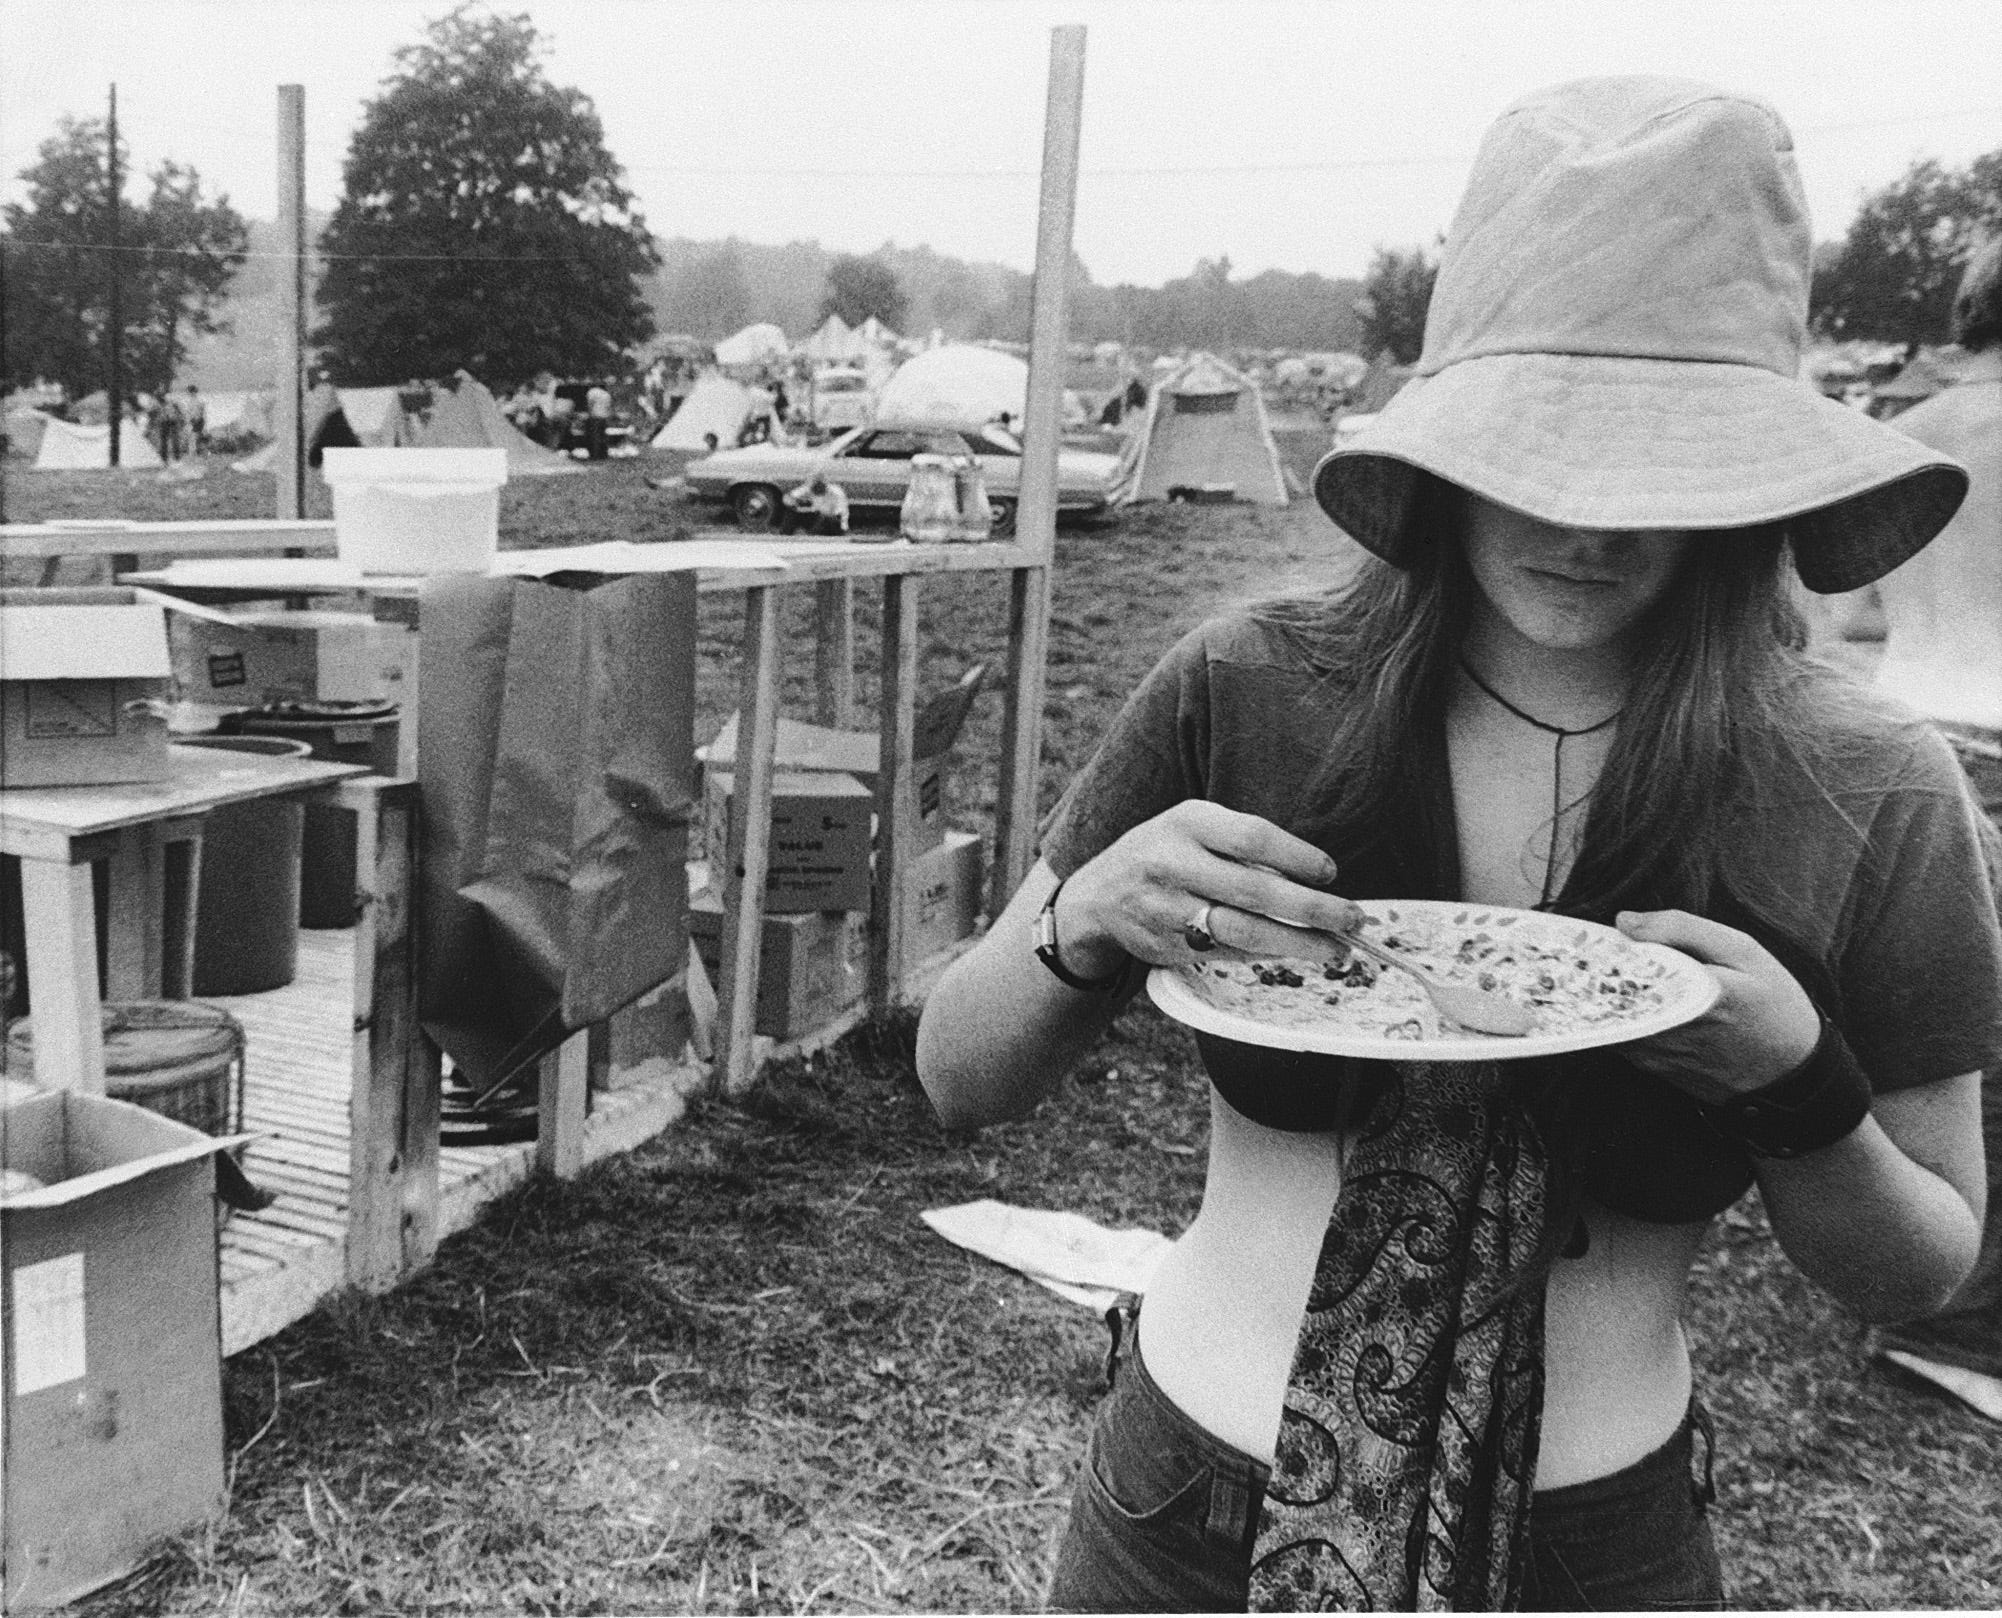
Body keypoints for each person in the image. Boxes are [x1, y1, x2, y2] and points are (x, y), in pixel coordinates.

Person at [915, 77, 2002, 1613]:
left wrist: (1798, 1093)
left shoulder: (1863, 784)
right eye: (1534, 453)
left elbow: (1923, 1263)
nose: (1583, 525)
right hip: (1177, 1517)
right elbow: (958, 1077)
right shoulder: (1250, 687)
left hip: (1593, 1553)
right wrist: (1077, 923)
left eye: (1656, 467)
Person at [1868, 233, 2002, 1420]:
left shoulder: (1903, 437)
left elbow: (1848, 608)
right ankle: (1961, 1324)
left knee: (1926, 1042)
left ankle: (1929, 1289)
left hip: (1908, 740)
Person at [782, 474, 849, 537]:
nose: (816, 489)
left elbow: (841, 513)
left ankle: (814, 533)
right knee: (791, 512)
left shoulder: (836, 492)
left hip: (832, 521)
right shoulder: (809, 488)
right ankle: (785, 535)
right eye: (814, 486)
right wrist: (794, 503)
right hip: (817, 516)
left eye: (819, 486)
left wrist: (843, 528)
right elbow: (787, 498)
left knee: (825, 518)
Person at [584, 379, 613, 461]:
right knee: (602, 436)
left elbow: (590, 405)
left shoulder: (592, 392)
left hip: (594, 417)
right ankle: (603, 455)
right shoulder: (606, 394)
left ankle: (594, 455)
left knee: (594, 437)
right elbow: (608, 407)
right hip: (604, 417)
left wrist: (588, 415)